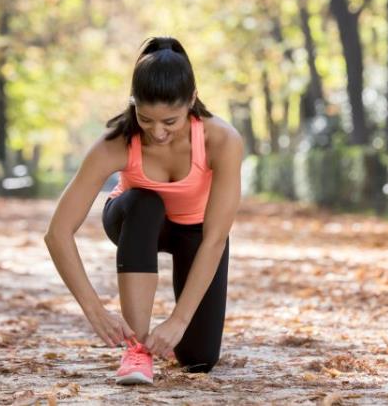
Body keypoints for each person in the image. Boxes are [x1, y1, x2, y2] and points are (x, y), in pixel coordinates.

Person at [44, 36, 243, 385]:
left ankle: (175, 343)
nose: (157, 131)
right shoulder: (116, 142)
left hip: (195, 231)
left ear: (191, 100)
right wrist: (94, 310)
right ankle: (136, 351)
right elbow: (57, 232)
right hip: (132, 218)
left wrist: (178, 321)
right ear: (133, 103)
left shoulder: (222, 140)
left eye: (170, 121)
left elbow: (215, 239)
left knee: (199, 360)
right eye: (146, 118)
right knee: (146, 202)